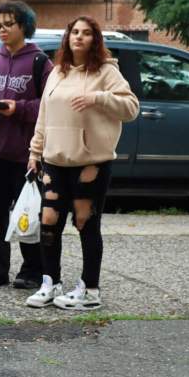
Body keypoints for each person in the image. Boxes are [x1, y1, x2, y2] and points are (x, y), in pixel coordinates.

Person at [24, 16, 138, 311]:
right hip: (54, 159)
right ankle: (50, 282)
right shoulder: (56, 72)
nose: (79, 37)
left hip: (91, 161)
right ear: (67, 37)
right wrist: (35, 152)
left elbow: (131, 108)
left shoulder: (107, 71)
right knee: (48, 222)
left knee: (85, 223)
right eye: (74, 32)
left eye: (86, 33)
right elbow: (44, 117)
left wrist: (98, 97)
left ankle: (90, 288)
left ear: (95, 39)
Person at [0, 1, 50, 290]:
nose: (1, 30)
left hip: (26, 156)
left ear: (24, 26)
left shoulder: (40, 63)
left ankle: (33, 271)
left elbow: (50, 106)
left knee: (29, 214)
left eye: (8, 24)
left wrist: (19, 108)